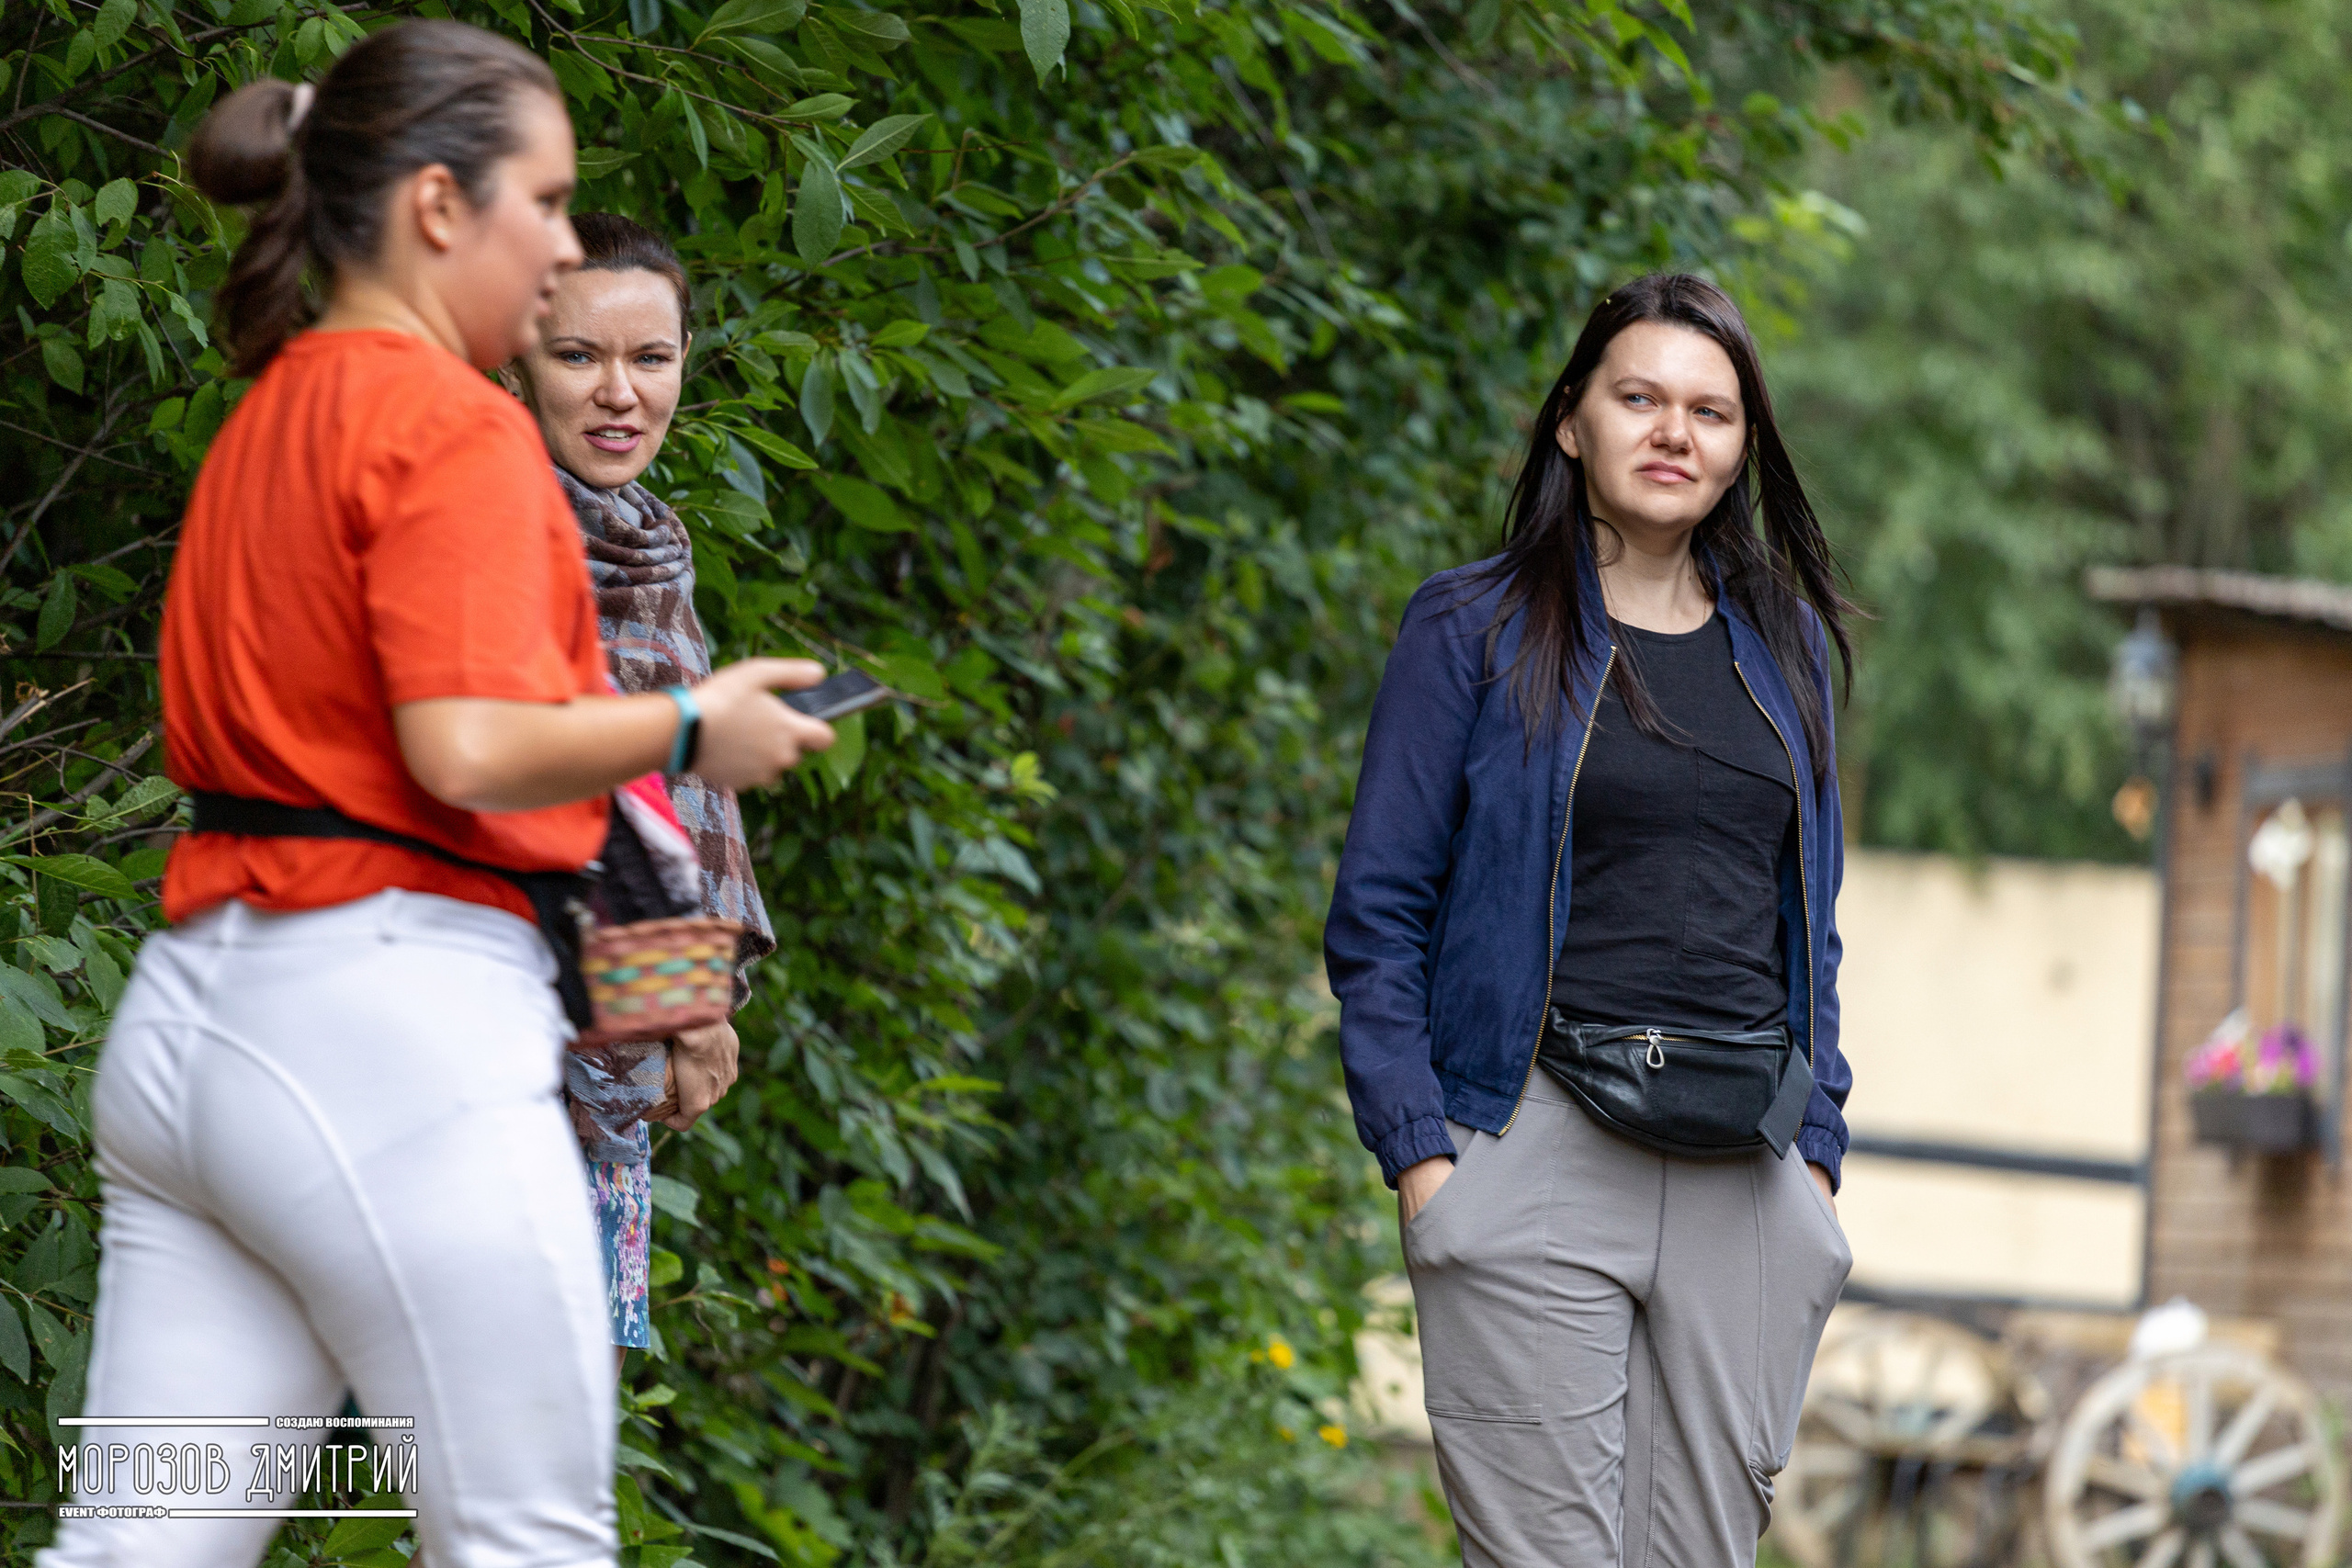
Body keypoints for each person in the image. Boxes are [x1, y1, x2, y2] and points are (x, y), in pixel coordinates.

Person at [40, 23, 834, 1568]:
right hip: (385, 1028)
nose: (554, 254)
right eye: (542, 203)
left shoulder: (270, 413)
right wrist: (687, 725)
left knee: (140, 1547)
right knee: (525, 1538)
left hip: (194, 1030)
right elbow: (467, 752)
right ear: (436, 209)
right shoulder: (452, 424)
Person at [1325, 273, 1856, 1567]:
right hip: (1531, 1139)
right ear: (1574, 421)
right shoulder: (1473, 627)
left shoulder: (1785, 644)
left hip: (1746, 1162)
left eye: (1711, 412)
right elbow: (1378, 915)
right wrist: (1428, 1165)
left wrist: (1821, 1146)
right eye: (1641, 398)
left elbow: (1813, 922)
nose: (1676, 432)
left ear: (1741, 450)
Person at [503, 211, 770, 1357]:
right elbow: (546, 803)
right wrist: (689, 1000)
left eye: (649, 358)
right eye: (580, 357)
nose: (620, 392)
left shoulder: (646, 543)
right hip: (495, 1060)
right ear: (516, 362)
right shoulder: (502, 531)